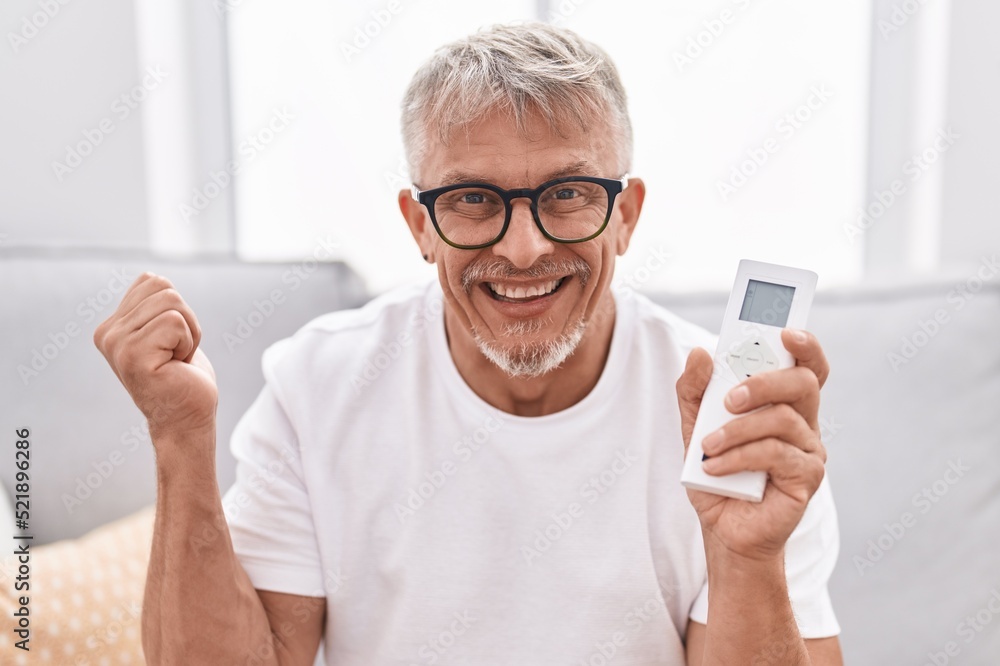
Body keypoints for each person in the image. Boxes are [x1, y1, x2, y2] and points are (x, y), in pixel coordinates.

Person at [94, 22, 843, 665]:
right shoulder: (317, 384)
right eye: (473, 200)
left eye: (568, 193)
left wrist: (750, 557)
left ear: (626, 215)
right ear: (420, 225)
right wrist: (179, 439)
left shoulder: (735, 426)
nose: (522, 250)